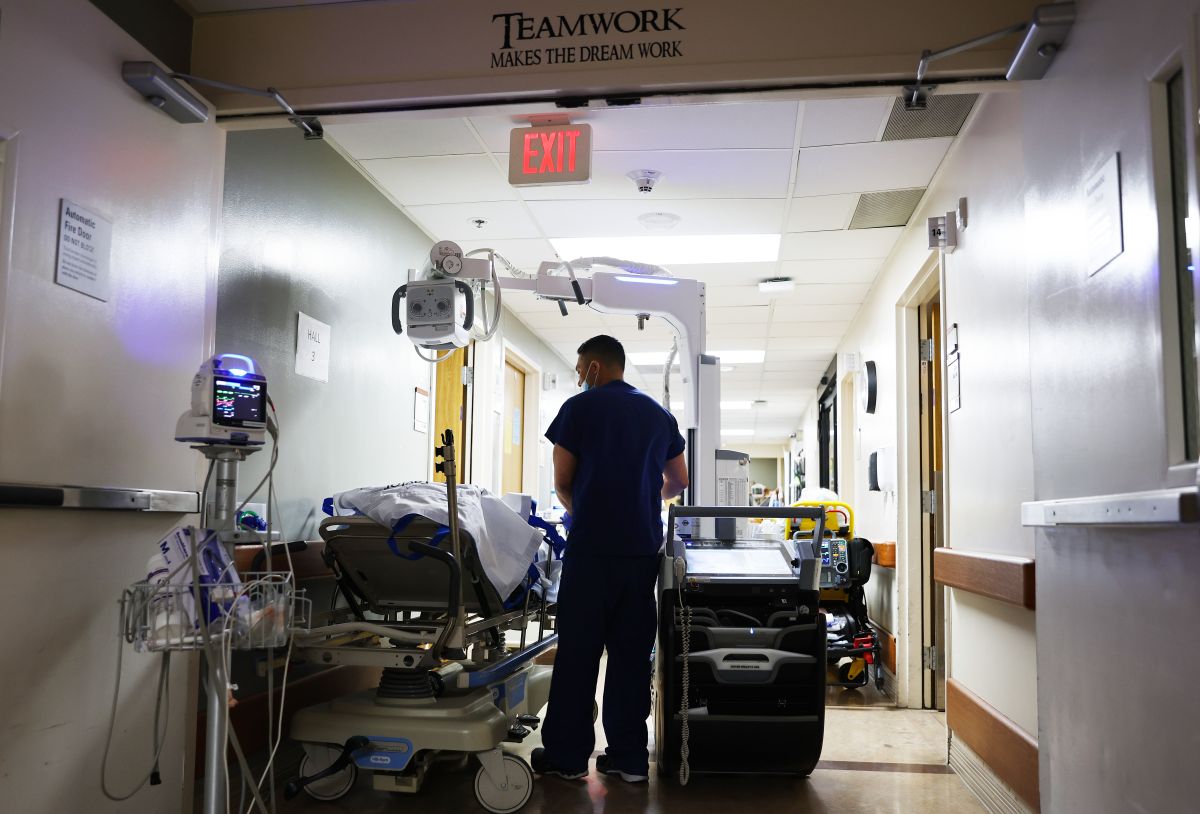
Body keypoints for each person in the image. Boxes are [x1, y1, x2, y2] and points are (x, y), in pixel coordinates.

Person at [530, 334, 689, 784]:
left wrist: (590, 510)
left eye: (581, 370)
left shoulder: (578, 410)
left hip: (591, 552)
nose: (579, 377)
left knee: (579, 654)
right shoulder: (659, 416)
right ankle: (628, 758)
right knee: (631, 655)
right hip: (641, 553)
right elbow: (679, 480)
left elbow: (563, 482)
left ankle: (565, 756)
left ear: (596, 367)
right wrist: (643, 501)